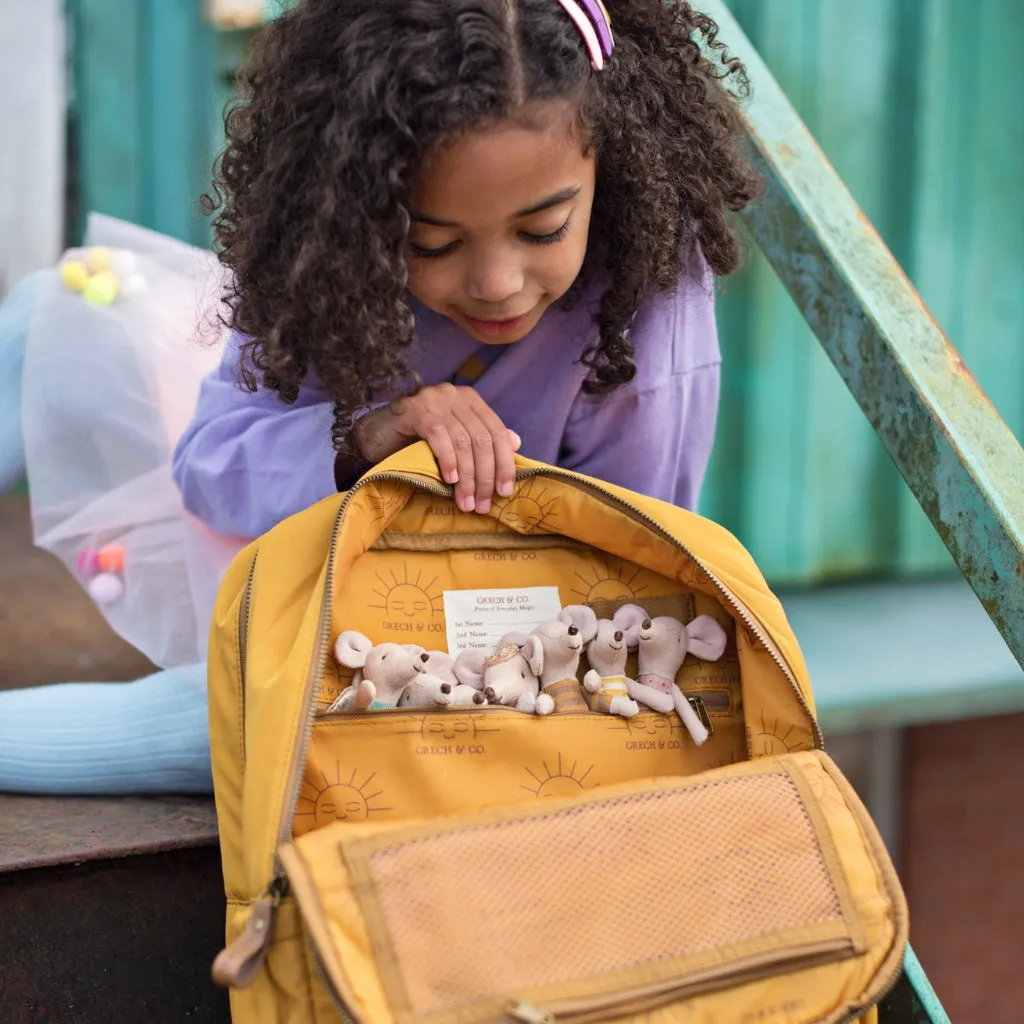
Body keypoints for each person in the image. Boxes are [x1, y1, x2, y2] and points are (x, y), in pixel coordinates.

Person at [0, 0, 759, 795]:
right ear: (360, 205)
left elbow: (624, 587)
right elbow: (210, 468)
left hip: (450, 638)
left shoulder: (648, 288)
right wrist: (369, 437)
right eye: (431, 243)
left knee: (259, 725)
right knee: (50, 317)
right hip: (281, 529)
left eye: (543, 231)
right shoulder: (326, 256)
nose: (496, 284)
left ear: (612, 175)